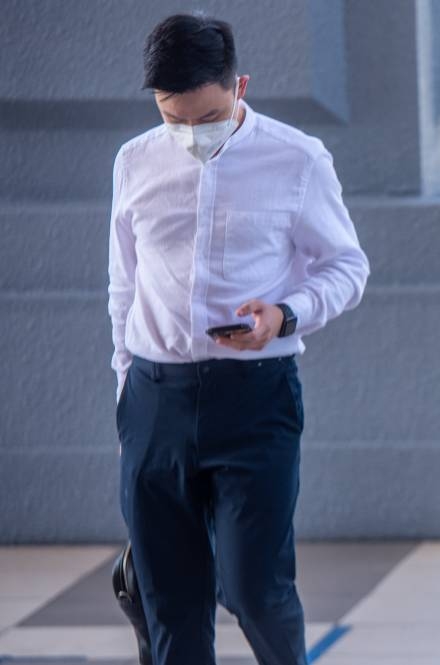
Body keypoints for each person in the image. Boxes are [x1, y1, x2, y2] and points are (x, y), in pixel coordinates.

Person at [109, 13, 369, 664]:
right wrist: (126, 390)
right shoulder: (135, 161)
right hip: (153, 398)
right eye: (175, 118)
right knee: (169, 602)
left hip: (254, 398)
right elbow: (123, 282)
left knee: (256, 589)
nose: (191, 134)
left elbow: (349, 267)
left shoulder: (298, 158)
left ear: (240, 86)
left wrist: (285, 313)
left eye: (208, 116)